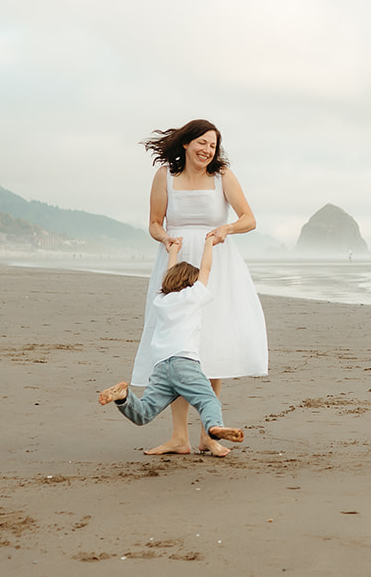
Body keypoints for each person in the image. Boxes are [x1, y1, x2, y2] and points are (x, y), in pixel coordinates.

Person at [133, 119, 268, 457]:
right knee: (175, 344)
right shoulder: (165, 176)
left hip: (216, 261)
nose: (208, 150)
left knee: (212, 340)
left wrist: (227, 229)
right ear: (186, 143)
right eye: (202, 143)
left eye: (213, 145)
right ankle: (180, 437)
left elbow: (249, 218)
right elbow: (154, 222)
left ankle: (210, 433)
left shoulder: (222, 176)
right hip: (176, 263)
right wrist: (165, 238)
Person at [99, 234, 245, 449]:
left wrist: (174, 251)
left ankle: (124, 397)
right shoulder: (193, 296)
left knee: (144, 413)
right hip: (184, 363)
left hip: (161, 367)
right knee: (208, 400)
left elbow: (170, 272)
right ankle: (213, 427)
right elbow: (206, 269)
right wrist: (208, 245)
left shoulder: (161, 301)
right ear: (191, 282)